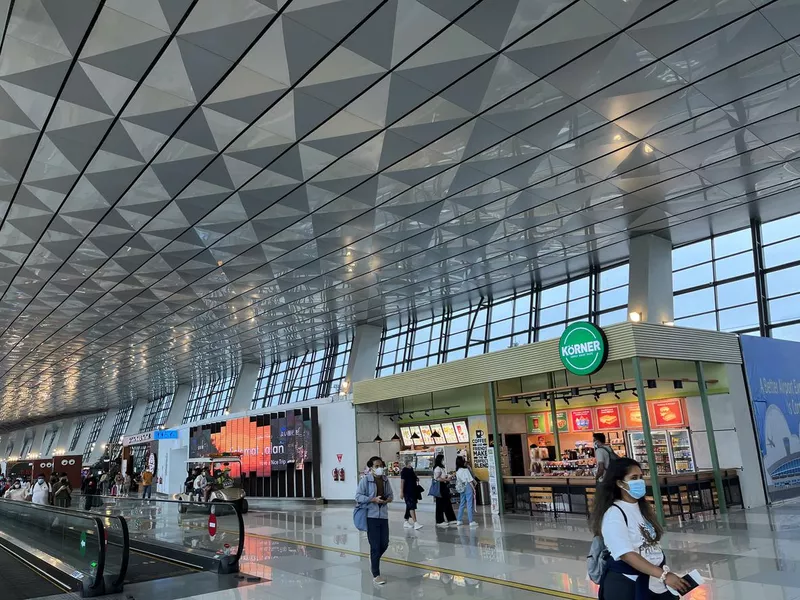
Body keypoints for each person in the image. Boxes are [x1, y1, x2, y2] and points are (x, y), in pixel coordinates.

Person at [589, 458, 690, 599]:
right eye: (634, 478)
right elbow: (626, 554)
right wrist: (664, 575)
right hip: (628, 585)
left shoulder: (642, 509)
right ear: (619, 483)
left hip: (653, 580)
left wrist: (662, 574)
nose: (640, 482)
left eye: (641, 477)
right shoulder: (614, 513)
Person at [355, 456, 393, 586]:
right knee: (375, 546)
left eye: (381, 466)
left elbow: (391, 495)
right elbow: (358, 496)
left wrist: (387, 499)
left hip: (383, 516)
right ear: (371, 468)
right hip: (371, 516)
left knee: (385, 543)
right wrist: (372, 499)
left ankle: (373, 558)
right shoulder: (366, 481)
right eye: (376, 466)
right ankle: (376, 575)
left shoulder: (385, 480)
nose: (379, 468)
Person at [432, 454, 457, 528]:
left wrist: (448, 476)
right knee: (439, 504)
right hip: (440, 486)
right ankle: (439, 520)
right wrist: (446, 479)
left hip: (444, 486)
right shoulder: (437, 468)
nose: (444, 461)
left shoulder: (441, 468)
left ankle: (451, 518)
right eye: (443, 459)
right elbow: (437, 478)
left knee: (447, 502)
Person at [400, 457, 422, 530]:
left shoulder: (411, 470)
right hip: (407, 491)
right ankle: (415, 522)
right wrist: (401, 492)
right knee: (411, 506)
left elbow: (414, 477)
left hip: (413, 490)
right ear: (408, 463)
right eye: (411, 462)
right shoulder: (404, 471)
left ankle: (406, 521)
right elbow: (402, 482)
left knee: (409, 506)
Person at [455, 456, 478, 528]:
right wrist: (473, 488)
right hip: (468, 486)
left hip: (461, 487)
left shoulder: (457, 471)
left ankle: (459, 520)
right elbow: (470, 480)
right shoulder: (465, 470)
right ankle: (471, 521)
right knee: (469, 503)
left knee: (462, 503)